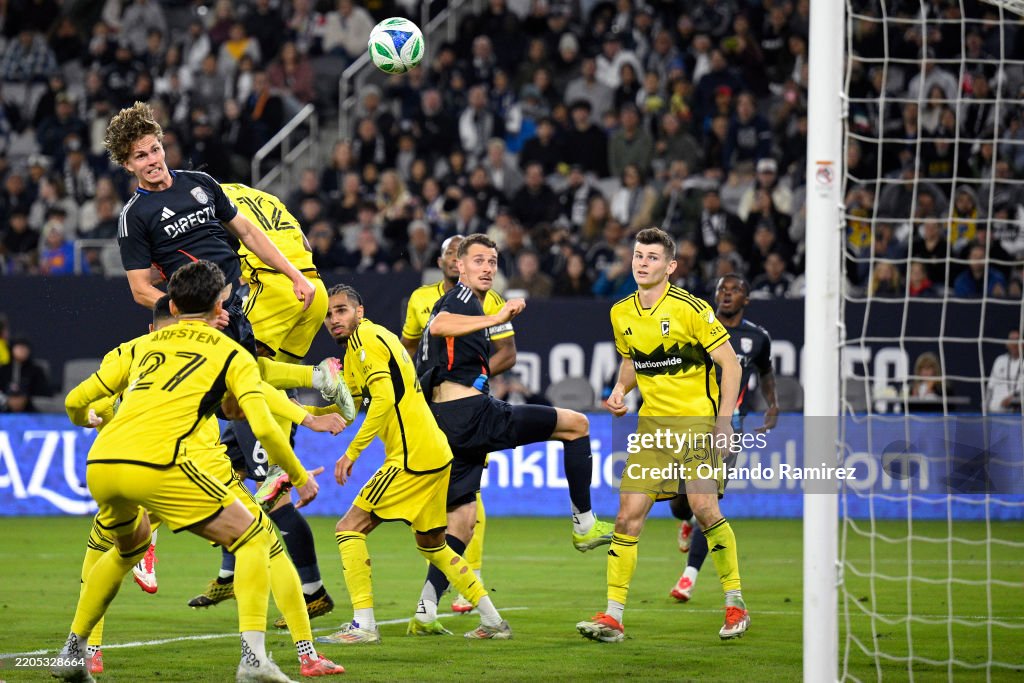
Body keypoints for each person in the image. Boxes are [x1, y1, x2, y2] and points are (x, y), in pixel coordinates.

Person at [50, 261, 323, 683]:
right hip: (162, 464)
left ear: (173, 307)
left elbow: (75, 400)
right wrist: (300, 476)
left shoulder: (138, 347)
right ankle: (253, 660)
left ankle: (74, 649)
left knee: (124, 550)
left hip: (103, 463)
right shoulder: (230, 353)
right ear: (220, 308)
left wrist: (83, 420)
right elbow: (265, 427)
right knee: (253, 538)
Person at [407, 233, 613, 635]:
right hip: (472, 416)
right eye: (478, 261)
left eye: (492, 262)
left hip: (446, 423)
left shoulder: (462, 302)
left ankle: (427, 609)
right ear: (459, 266)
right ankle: (584, 523)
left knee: (462, 522)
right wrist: (496, 318)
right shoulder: (461, 299)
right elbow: (441, 325)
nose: (487, 268)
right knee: (577, 425)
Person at [576, 227, 749, 643]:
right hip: (652, 429)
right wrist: (619, 390)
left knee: (704, 509)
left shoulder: (691, 309)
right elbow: (632, 361)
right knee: (626, 517)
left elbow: (731, 365)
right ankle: (613, 617)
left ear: (670, 266)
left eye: (652, 257)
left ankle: (735, 604)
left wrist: (724, 421)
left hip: (697, 425)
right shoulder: (621, 312)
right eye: (638, 255)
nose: (642, 263)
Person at [315, 285, 512, 643]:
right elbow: (350, 405)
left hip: (411, 458)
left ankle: (363, 625)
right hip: (435, 454)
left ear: (360, 311)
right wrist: (302, 413)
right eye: (329, 314)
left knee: (349, 528)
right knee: (434, 546)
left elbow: (383, 400)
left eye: (341, 310)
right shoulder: (366, 344)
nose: (334, 319)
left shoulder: (366, 340)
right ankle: (493, 620)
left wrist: (352, 452)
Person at [183, 182, 339, 629]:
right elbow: (303, 241)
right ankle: (228, 575)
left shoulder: (202, 199)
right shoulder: (267, 199)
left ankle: (313, 592)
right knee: (229, 471)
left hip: (275, 290)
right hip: (309, 286)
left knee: (272, 488)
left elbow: (219, 249)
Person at [399, 234, 517, 614]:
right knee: (443, 502)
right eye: (453, 253)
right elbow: (408, 347)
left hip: (463, 408)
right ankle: (441, 590)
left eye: (489, 261)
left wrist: (474, 381)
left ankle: (467, 580)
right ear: (447, 261)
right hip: (428, 407)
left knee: (467, 500)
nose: (457, 259)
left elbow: (507, 353)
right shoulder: (422, 299)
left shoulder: (489, 300)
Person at [668, 274, 778, 603]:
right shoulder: (697, 327)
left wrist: (772, 404)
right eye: (722, 290)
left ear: (746, 299)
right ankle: (687, 519)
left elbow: (765, 372)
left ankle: (688, 577)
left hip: (728, 427)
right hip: (689, 421)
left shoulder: (757, 338)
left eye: (735, 290)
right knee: (679, 502)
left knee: (708, 505)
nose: (727, 294)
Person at [987, 330, 1022, 413]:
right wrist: (986, 406)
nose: (1014, 344)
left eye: (1017, 340)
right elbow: (990, 388)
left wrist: (1014, 399)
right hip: (995, 412)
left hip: (1017, 414)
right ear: (1006, 343)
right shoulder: (999, 360)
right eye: (1011, 340)